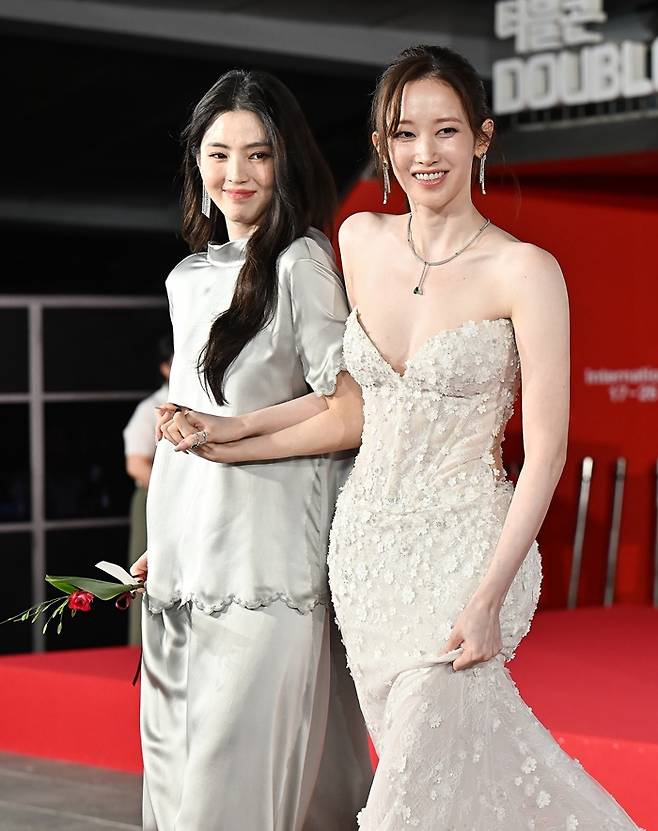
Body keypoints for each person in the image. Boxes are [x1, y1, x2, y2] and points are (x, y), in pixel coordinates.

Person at [161, 46, 643, 830]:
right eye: (405, 133)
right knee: (449, 787)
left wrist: (488, 597)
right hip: (367, 558)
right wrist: (234, 430)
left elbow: (547, 451)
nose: (425, 152)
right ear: (382, 145)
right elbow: (349, 406)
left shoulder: (525, 271)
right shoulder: (359, 240)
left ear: (481, 138)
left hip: (466, 554)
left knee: (404, 799)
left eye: (446, 130)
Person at [130, 69, 372, 830]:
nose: (236, 173)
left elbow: (348, 410)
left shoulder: (303, 261)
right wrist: (169, 536)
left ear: (286, 161)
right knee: (177, 772)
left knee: (231, 781)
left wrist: (235, 442)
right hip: (187, 556)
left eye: (258, 154)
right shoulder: (186, 277)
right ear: (197, 164)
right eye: (218, 153)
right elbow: (190, 427)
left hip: (267, 555)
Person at [123, 333, 172, 646]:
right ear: (165, 367)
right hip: (153, 499)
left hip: (197, 502)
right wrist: (173, 492)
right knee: (144, 580)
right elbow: (136, 464)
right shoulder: (149, 408)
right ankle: (141, 650)